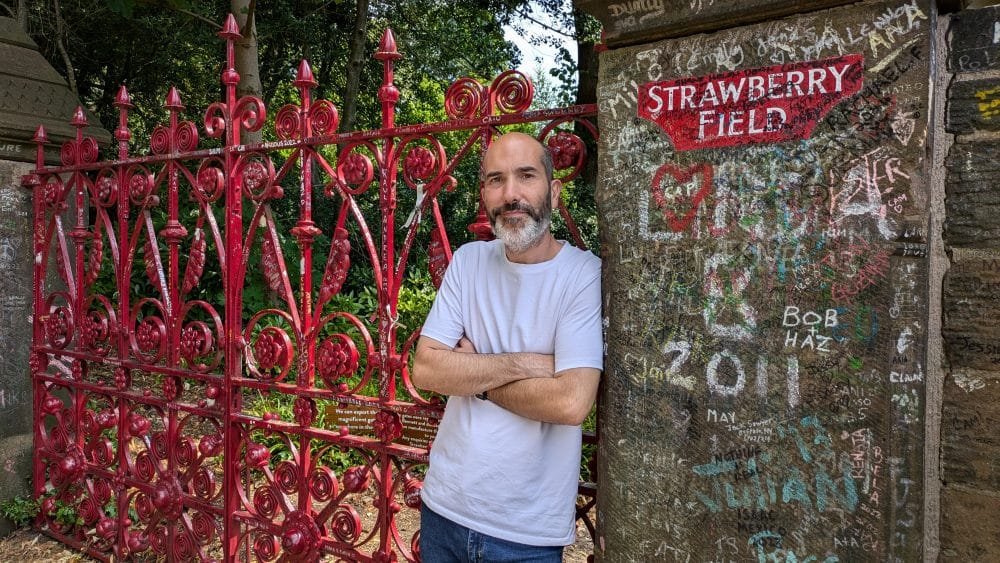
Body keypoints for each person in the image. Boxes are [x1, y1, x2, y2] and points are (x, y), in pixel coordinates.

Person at [411, 132, 603, 562]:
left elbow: (570, 402)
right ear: (484, 193)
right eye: (496, 180)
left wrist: (475, 379)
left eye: (526, 176)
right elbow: (425, 369)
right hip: (443, 506)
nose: (511, 194)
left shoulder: (582, 275)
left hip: (525, 533)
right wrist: (529, 364)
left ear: (553, 190)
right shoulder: (468, 261)